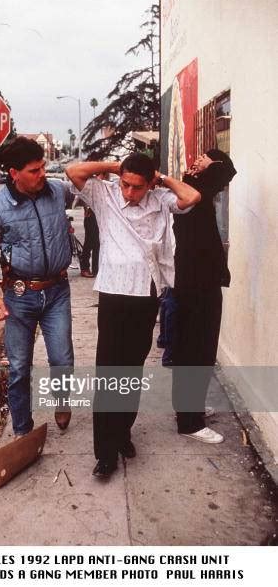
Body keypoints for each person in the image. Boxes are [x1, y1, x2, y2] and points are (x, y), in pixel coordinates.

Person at [66, 153, 201, 477]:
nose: (129, 192)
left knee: (132, 371)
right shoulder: (105, 193)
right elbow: (73, 170)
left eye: (136, 187)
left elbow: (192, 196)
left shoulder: (159, 198)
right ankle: (105, 453)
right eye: (126, 184)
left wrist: (161, 178)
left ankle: (123, 431)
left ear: (149, 183)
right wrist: (116, 168)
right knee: (109, 371)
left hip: (147, 294)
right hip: (114, 294)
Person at [0, 137, 74, 437]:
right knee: (18, 367)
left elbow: (84, 185)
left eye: (43, 167)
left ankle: (63, 401)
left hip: (57, 292)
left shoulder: (57, 191)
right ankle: (22, 431)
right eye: (34, 170)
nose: (42, 173)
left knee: (62, 359)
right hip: (19, 296)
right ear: (14, 173)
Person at [172, 149, 237, 444]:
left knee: (193, 347)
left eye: (203, 158)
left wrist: (211, 164)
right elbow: (227, 172)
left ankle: (189, 409)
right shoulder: (194, 188)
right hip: (197, 282)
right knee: (199, 347)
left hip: (196, 279)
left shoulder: (194, 185)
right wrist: (211, 164)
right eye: (199, 158)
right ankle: (190, 422)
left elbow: (224, 173)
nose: (197, 161)